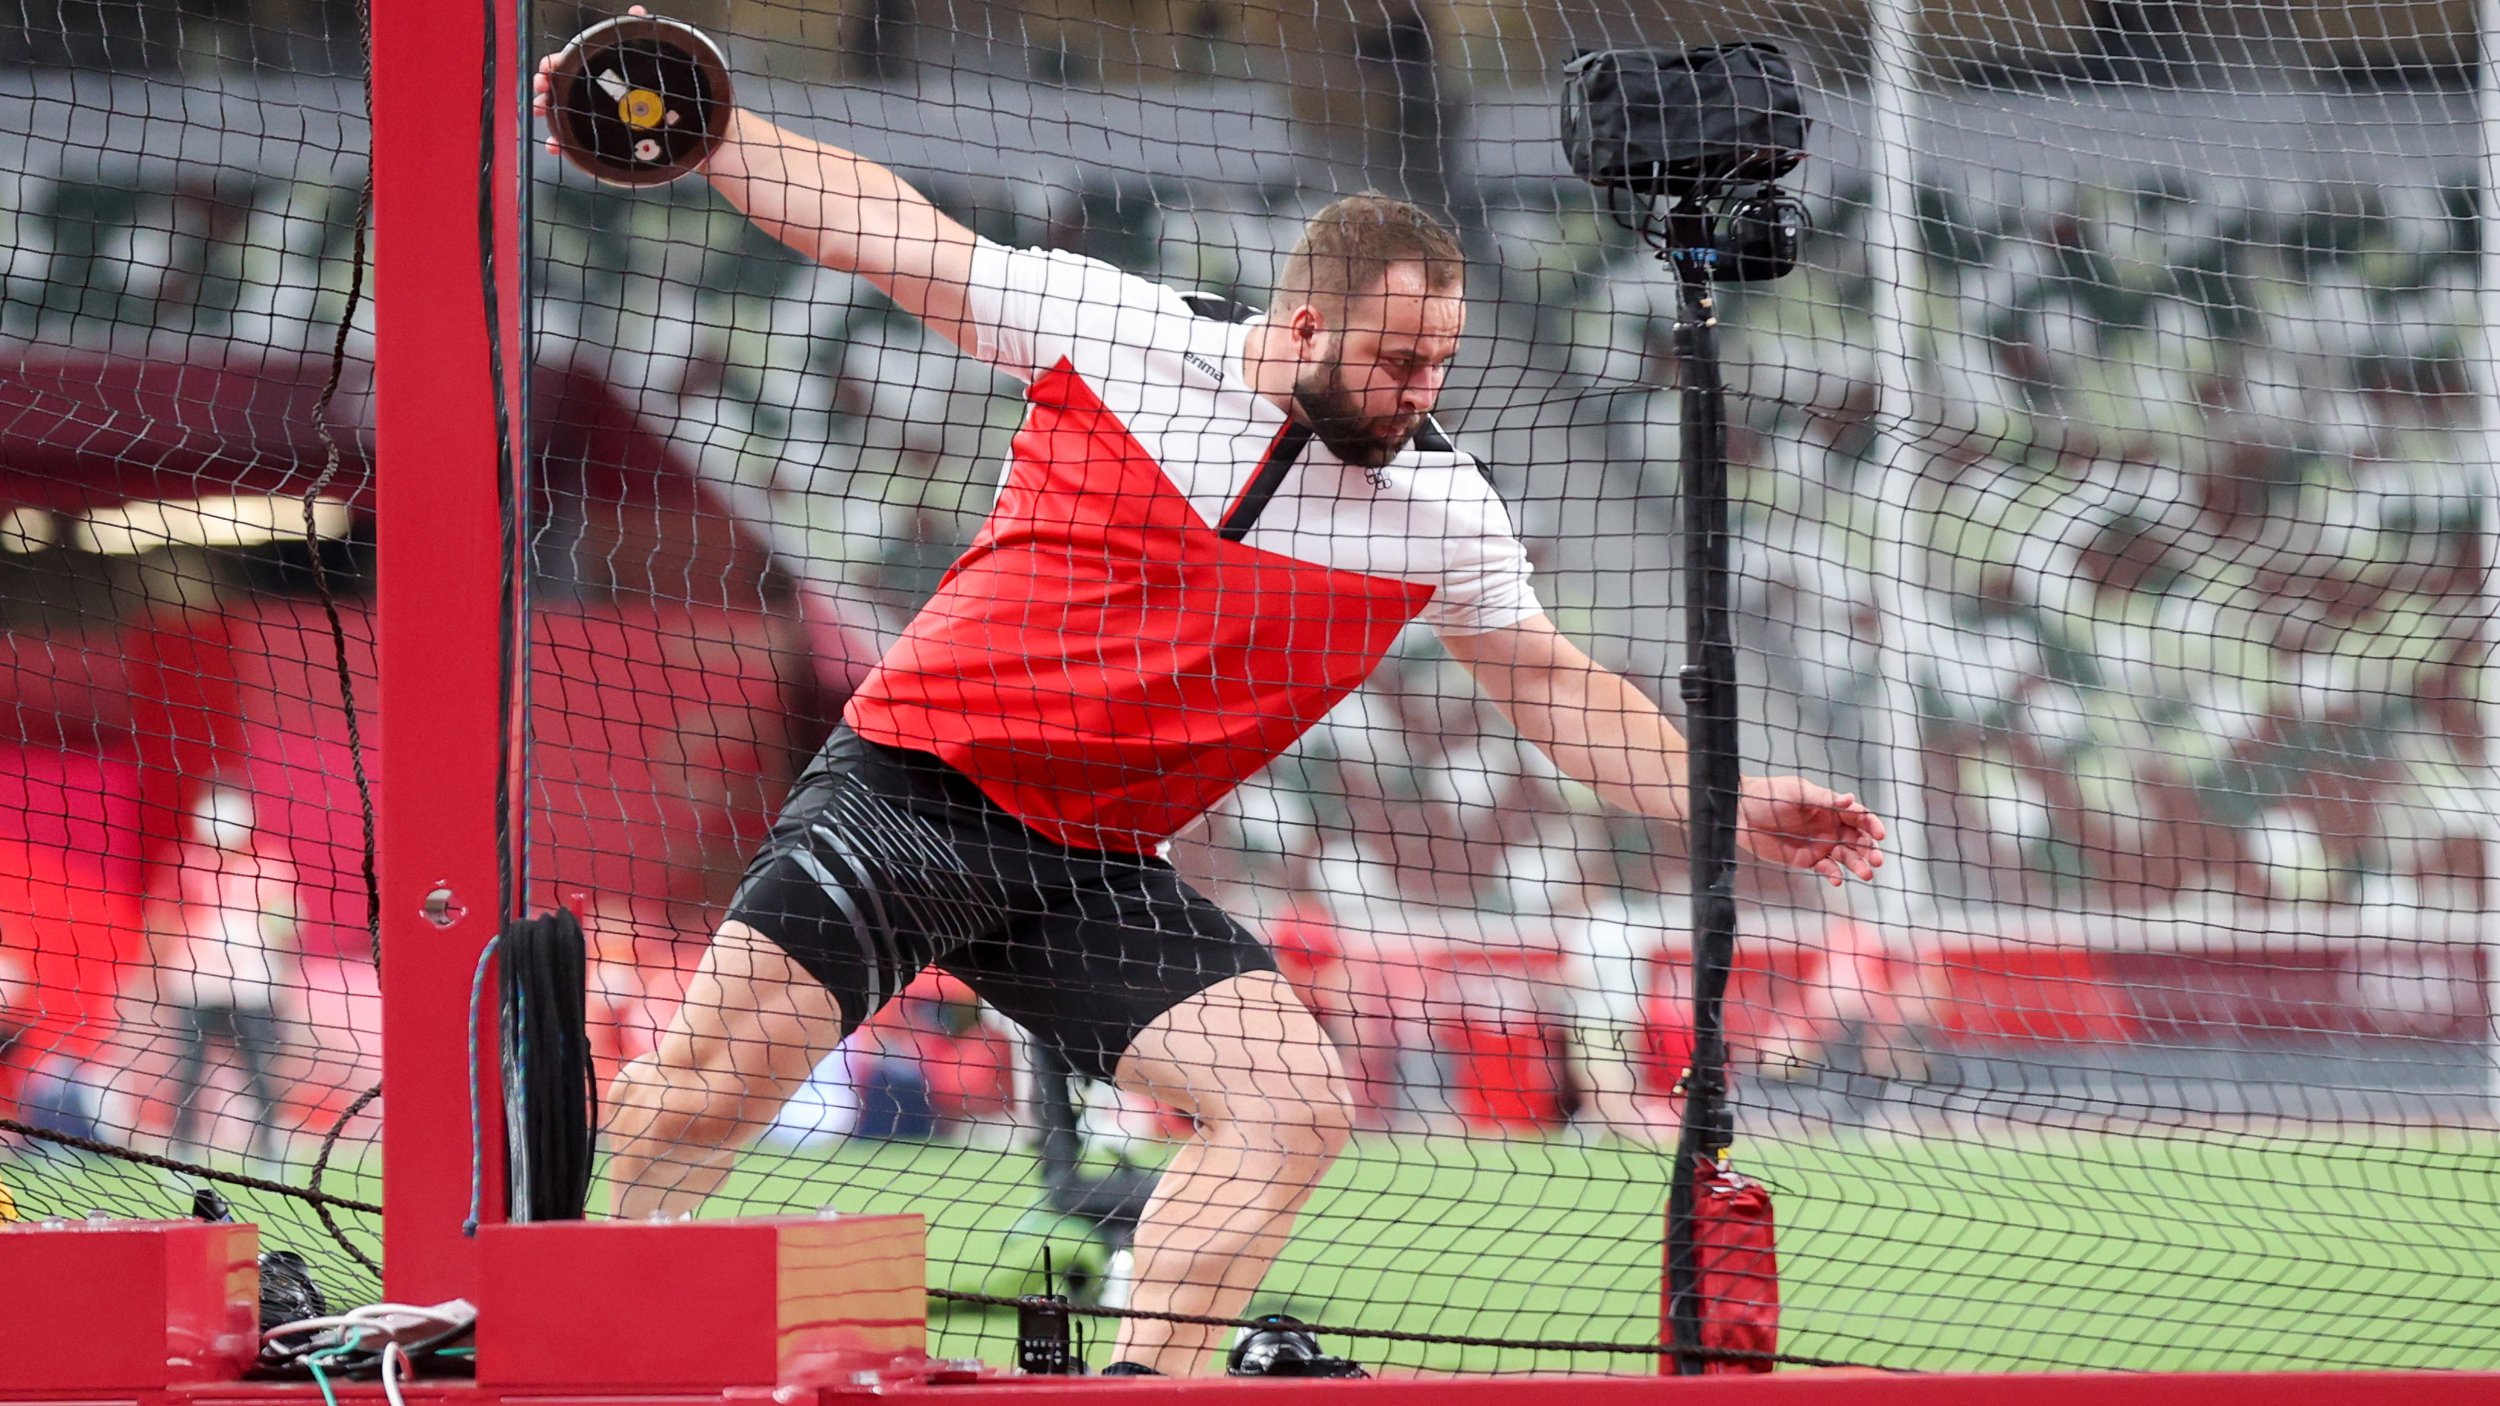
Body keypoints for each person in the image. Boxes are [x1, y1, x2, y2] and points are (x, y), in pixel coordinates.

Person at [538, 28, 1887, 1376]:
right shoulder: (1122, 335)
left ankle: (1149, 1384)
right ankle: (561, 1342)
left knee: (1289, 1102)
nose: (1419, 394)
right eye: (1395, 361)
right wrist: (714, 133)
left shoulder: (1439, 508)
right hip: (915, 795)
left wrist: (1728, 799)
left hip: (1091, 865)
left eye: (1439, 364)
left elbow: (1555, 686)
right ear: (1302, 327)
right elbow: (897, 236)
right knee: (705, 1092)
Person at [151, 786, 299, 1165]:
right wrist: (158, 976)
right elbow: (162, 919)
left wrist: (282, 972)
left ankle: (270, 1146)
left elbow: (287, 923)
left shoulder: (270, 867)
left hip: (250, 982)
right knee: (189, 1066)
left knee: (259, 1065)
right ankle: (181, 1150)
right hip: (197, 981)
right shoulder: (185, 864)